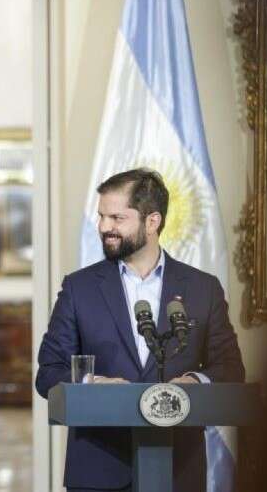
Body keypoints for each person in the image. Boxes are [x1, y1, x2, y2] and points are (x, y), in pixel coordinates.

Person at [35, 168, 245, 492]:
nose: (104, 227)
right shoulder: (79, 288)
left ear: (152, 221)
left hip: (179, 473)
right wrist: (92, 383)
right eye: (102, 216)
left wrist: (195, 381)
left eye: (117, 218)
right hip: (98, 472)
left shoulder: (203, 289)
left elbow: (231, 368)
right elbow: (48, 372)